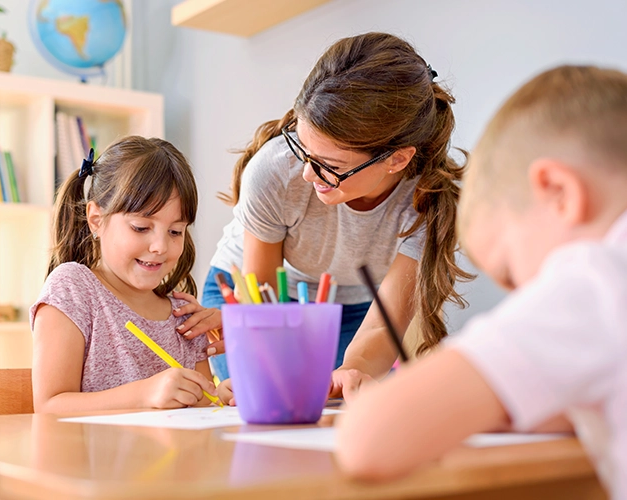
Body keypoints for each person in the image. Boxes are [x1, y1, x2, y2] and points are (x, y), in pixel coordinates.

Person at [335, 65, 627, 498]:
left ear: (559, 192)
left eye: (511, 273)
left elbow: (367, 441)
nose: (523, 297)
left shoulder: (596, 279)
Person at [199, 32, 472, 389]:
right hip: (253, 297)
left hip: (352, 308)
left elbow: (380, 325)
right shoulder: (275, 170)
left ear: (398, 159)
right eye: (304, 147)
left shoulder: (428, 202)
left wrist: (353, 370)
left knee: (342, 403)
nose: (309, 174)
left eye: (330, 164)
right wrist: (265, 362)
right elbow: (262, 294)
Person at [31, 136, 227, 413]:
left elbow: (197, 406)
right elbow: (49, 405)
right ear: (96, 220)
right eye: (140, 227)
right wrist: (144, 394)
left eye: (175, 231)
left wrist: (219, 396)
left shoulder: (184, 315)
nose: (160, 247)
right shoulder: (74, 288)